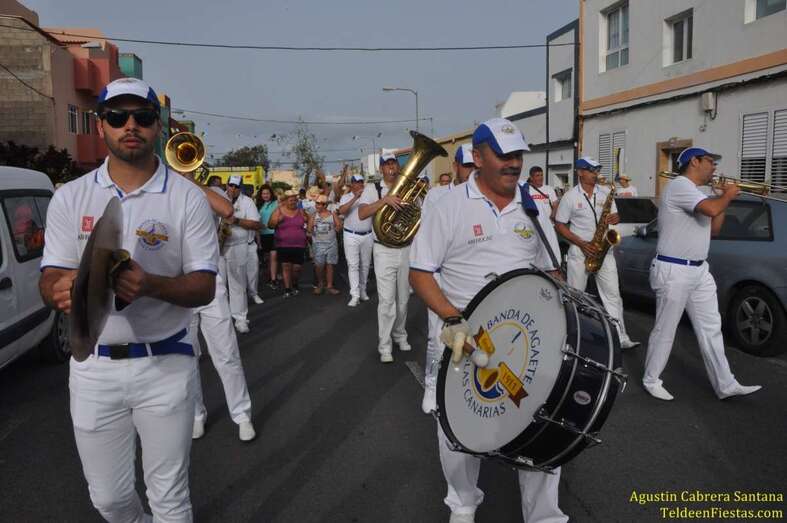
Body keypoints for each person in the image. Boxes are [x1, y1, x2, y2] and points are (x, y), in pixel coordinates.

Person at [38, 78, 218, 522]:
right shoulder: (69, 196)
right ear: (102, 126)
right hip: (93, 367)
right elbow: (50, 276)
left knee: (170, 499)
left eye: (141, 116)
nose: (130, 125)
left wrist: (151, 285)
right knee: (110, 500)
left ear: (157, 126)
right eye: (117, 117)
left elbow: (205, 285)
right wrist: (59, 290)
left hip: (165, 364)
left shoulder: (188, 198)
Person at [410, 117, 565, 523]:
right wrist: (451, 318)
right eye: (503, 154)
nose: (513, 163)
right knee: (456, 430)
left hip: (524, 338)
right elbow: (421, 273)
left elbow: (551, 272)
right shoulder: (447, 205)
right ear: (477, 158)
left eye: (518, 155)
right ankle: (463, 502)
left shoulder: (533, 206)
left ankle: (544, 515)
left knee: (540, 423)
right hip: (466, 338)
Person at [643, 148, 762, 401]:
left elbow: (714, 228)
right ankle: (651, 379)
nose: (715, 167)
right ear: (694, 161)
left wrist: (723, 200)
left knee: (711, 328)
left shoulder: (699, 194)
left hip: (699, 269)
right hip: (674, 269)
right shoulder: (680, 185)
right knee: (666, 329)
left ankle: (726, 383)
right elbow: (709, 210)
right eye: (710, 161)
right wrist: (727, 195)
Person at [189, 180, 256, 443]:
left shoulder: (210, 192)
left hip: (208, 279)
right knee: (186, 358)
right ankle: (196, 414)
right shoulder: (159, 190)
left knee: (226, 354)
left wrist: (187, 180)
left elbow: (227, 211)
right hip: (174, 285)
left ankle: (241, 415)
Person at [555, 157, 640, 350]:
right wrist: (581, 243)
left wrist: (616, 218)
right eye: (592, 170)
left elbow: (614, 218)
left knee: (613, 296)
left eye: (597, 170)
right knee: (576, 296)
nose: (596, 174)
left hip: (603, 249)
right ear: (580, 172)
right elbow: (560, 224)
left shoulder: (605, 193)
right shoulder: (570, 197)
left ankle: (620, 337)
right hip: (580, 250)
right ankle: (573, 337)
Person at [419, 143, 475, 414]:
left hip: (472, 278)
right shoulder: (436, 196)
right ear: (455, 167)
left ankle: (465, 388)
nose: (471, 172)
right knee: (436, 335)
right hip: (441, 277)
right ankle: (431, 385)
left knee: (475, 337)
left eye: (476, 166)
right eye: (467, 166)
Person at [358, 152, 413, 362]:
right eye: (387, 164)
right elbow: (362, 213)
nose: (391, 167)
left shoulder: (407, 187)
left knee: (404, 300)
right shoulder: (373, 189)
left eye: (393, 164)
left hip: (405, 248)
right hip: (383, 250)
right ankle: (384, 346)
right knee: (387, 300)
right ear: (381, 168)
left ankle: (400, 334)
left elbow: (417, 215)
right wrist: (385, 201)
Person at [223, 176, 262, 333]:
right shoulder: (218, 197)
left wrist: (235, 220)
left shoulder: (248, 202)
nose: (232, 188)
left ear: (241, 188)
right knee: (219, 286)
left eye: (236, 186)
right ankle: (223, 319)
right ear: (227, 185)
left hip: (239, 246)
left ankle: (240, 319)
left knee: (238, 285)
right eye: (230, 185)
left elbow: (255, 224)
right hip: (218, 247)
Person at [338, 174, 374, 307]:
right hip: (350, 235)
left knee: (365, 265)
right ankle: (355, 294)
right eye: (356, 182)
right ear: (351, 184)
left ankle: (363, 290)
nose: (358, 184)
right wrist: (355, 198)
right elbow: (342, 211)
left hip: (367, 234)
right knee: (353, 265)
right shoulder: (345, 197)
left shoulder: (369, 197)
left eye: (360, 182)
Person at [269, 189, 308, 297]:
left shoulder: (300, 211)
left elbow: (309, 221)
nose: (293, 202)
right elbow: (270, 225)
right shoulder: (279, 210)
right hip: (283, 244)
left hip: (299, 244)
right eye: (291, 200)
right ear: (285, 201)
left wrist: (307, 222)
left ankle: (294, 283)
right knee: (285, 266)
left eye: (295, 200)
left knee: (296, 269)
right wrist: (277, 220)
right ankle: (287, 289)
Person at [308, 194, 342, 295]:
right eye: (316, 203)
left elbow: (339, 225)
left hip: (331, 243)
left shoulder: (332, 215)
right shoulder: (314, 216)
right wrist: (312, 228)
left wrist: (336, 229)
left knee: (330, 264)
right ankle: (320, 283)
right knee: (319, 265)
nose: (317, 205)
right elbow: (309, 229)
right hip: (318, 244)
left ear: (325, 205)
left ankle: (329, 286)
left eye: (319, 204)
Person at [257, 184, 279, 289]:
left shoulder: (276, 203)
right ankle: (270, 277)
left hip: (274, 233)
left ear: (271, 194)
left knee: (273, 256)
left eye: (267, 193)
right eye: (263, 193)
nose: (265, 195)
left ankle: (274, 280)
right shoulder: (258, 205)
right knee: (268, 258)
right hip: (262, 235)